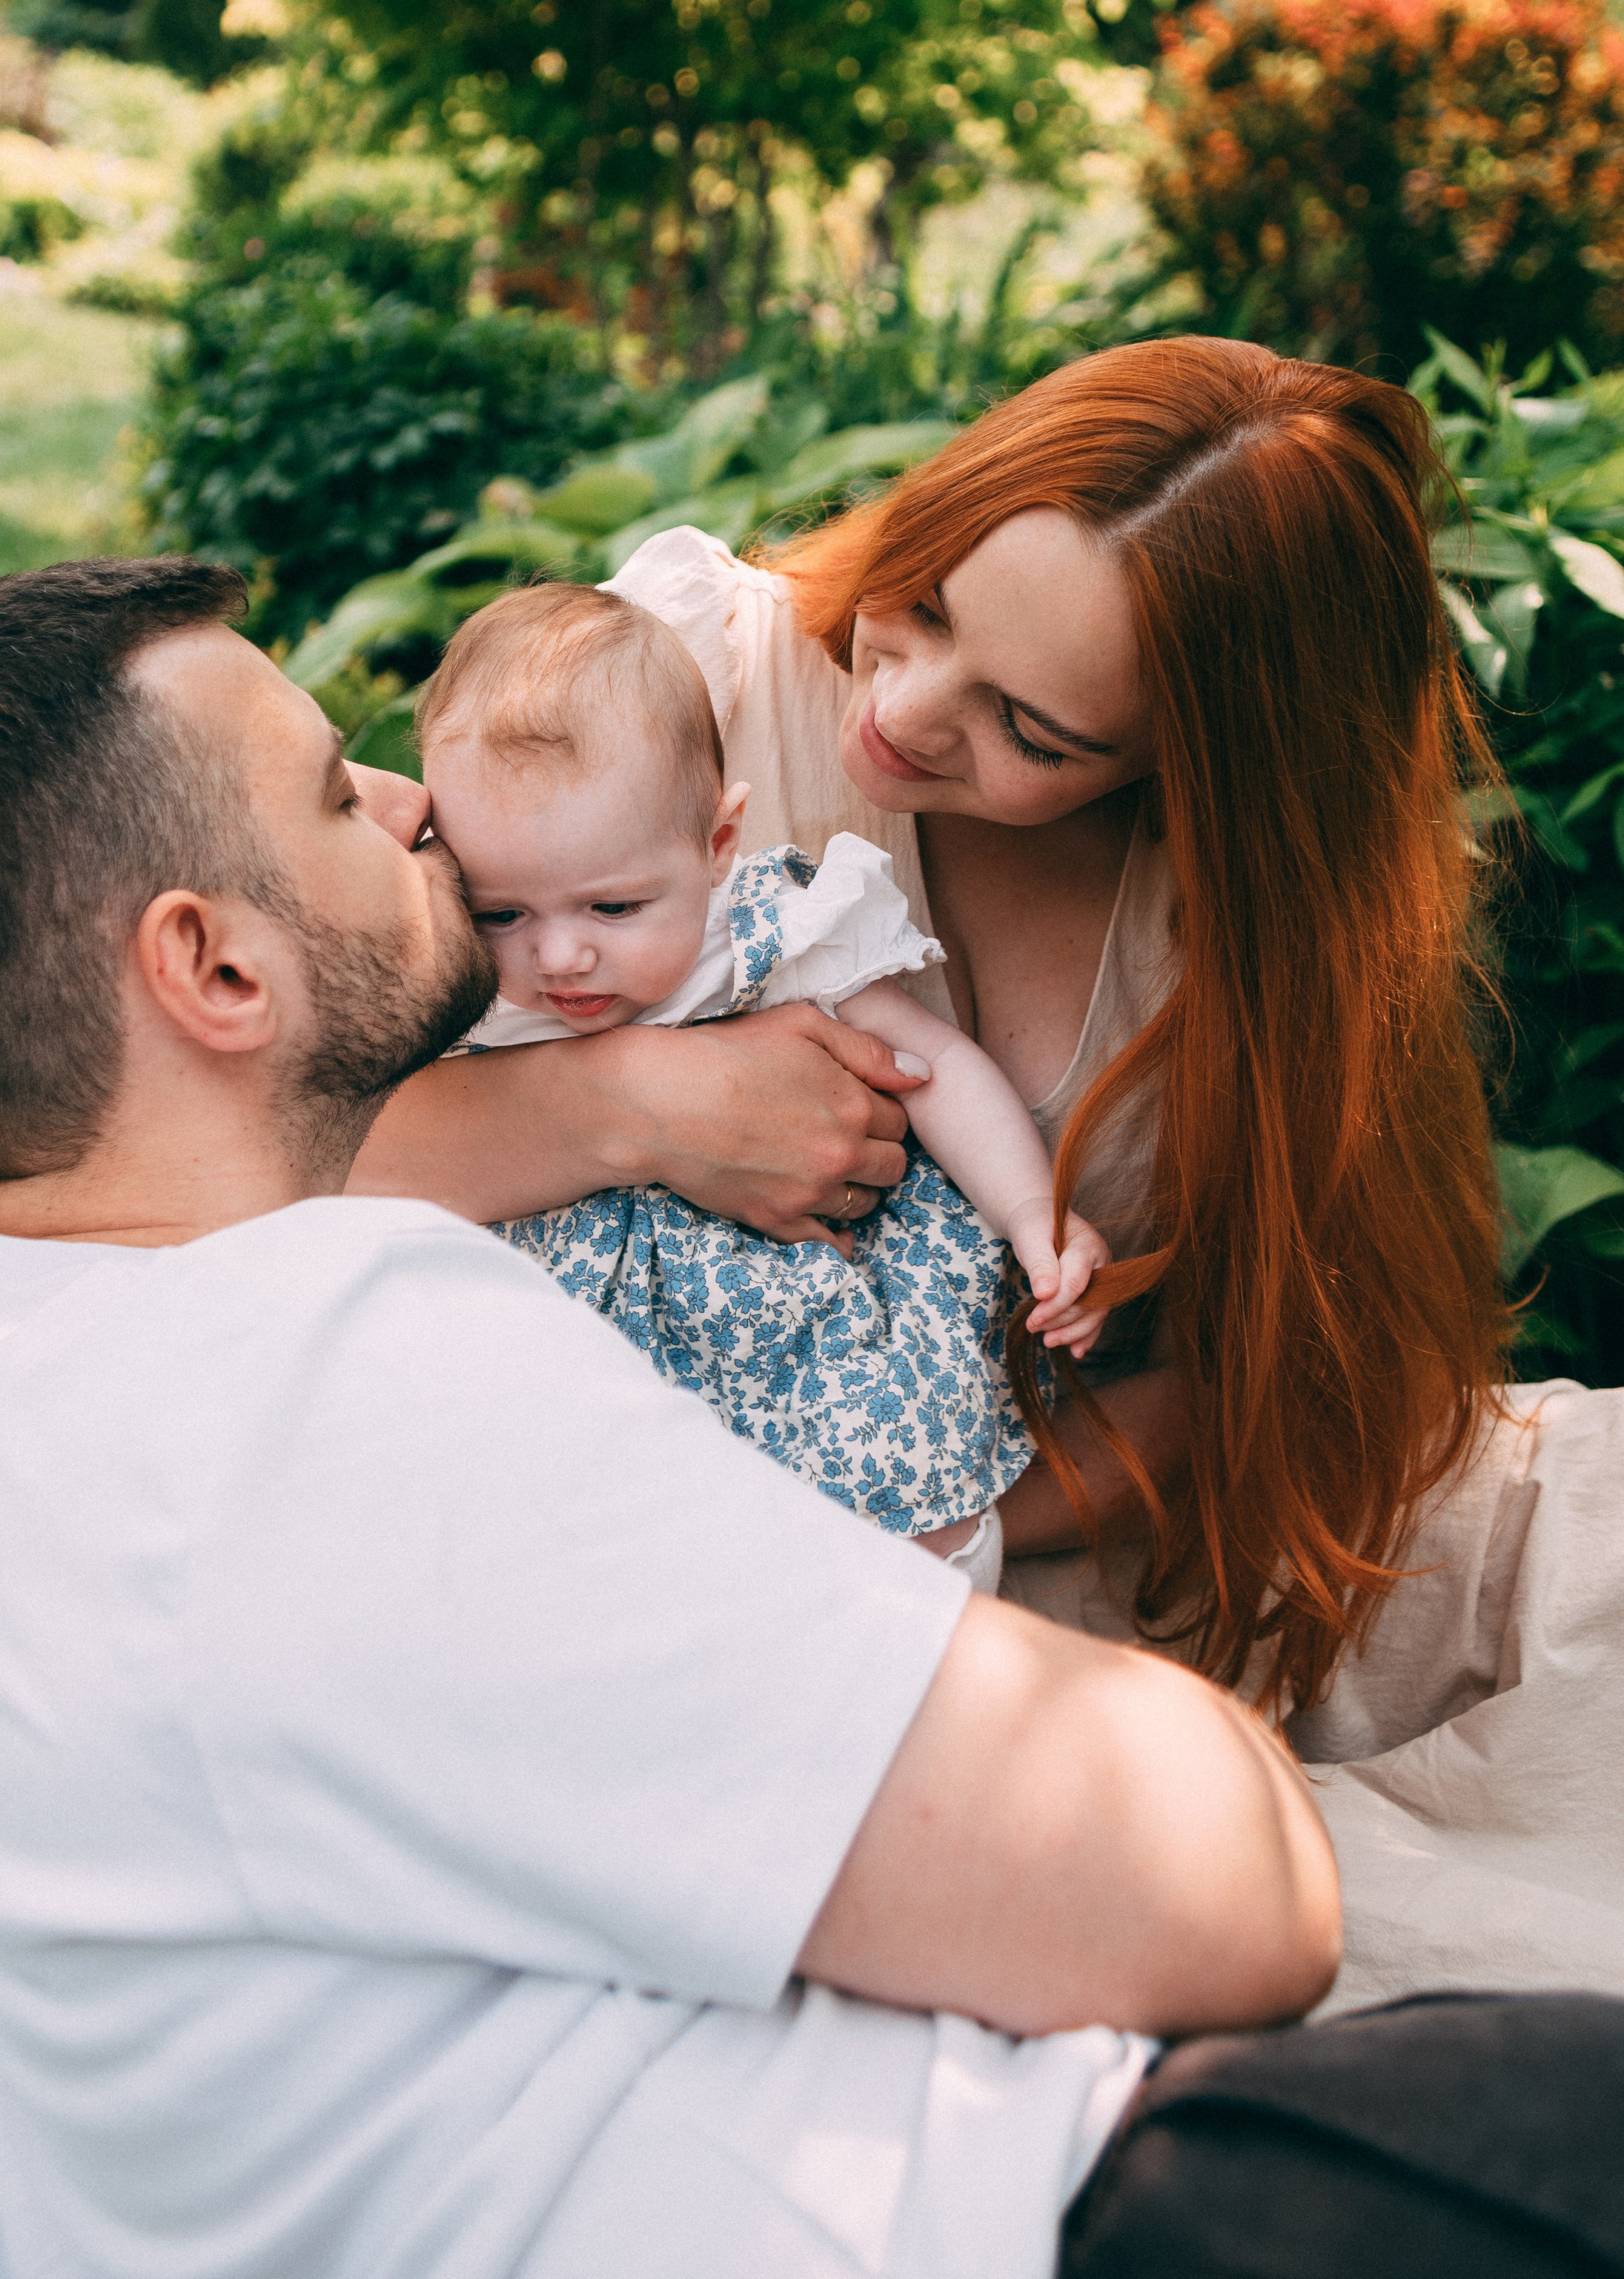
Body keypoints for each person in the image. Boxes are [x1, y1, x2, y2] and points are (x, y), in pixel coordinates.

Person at [0, 556, 1620, 2279]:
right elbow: (1224, 1896)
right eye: (330, 791)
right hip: (1045, 2213)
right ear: (214, 969)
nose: (409, 803)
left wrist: (271, 1858)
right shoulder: (371, 1363)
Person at [351, 339, 1510, 1719]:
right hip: (566, 1521)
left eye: (1032, 728)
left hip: (996, 1554)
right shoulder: (681, 674)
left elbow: (1271, 1380)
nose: (896, 712)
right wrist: (643, 1100)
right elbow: (276, 1144)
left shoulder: (1242, 934)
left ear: (1182, 765)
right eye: (928, 602)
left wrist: (901, 1520)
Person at [420, 583, 1105, 1560]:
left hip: (805, 1329)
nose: (560, 956)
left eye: (613, 909)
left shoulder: (766, 934)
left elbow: (934, 1067)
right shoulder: (458, 979)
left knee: (910, 1511)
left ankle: (929, 1641)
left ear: (716, 848)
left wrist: (1031, 1212)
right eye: (502, 913)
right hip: (579, 1362)